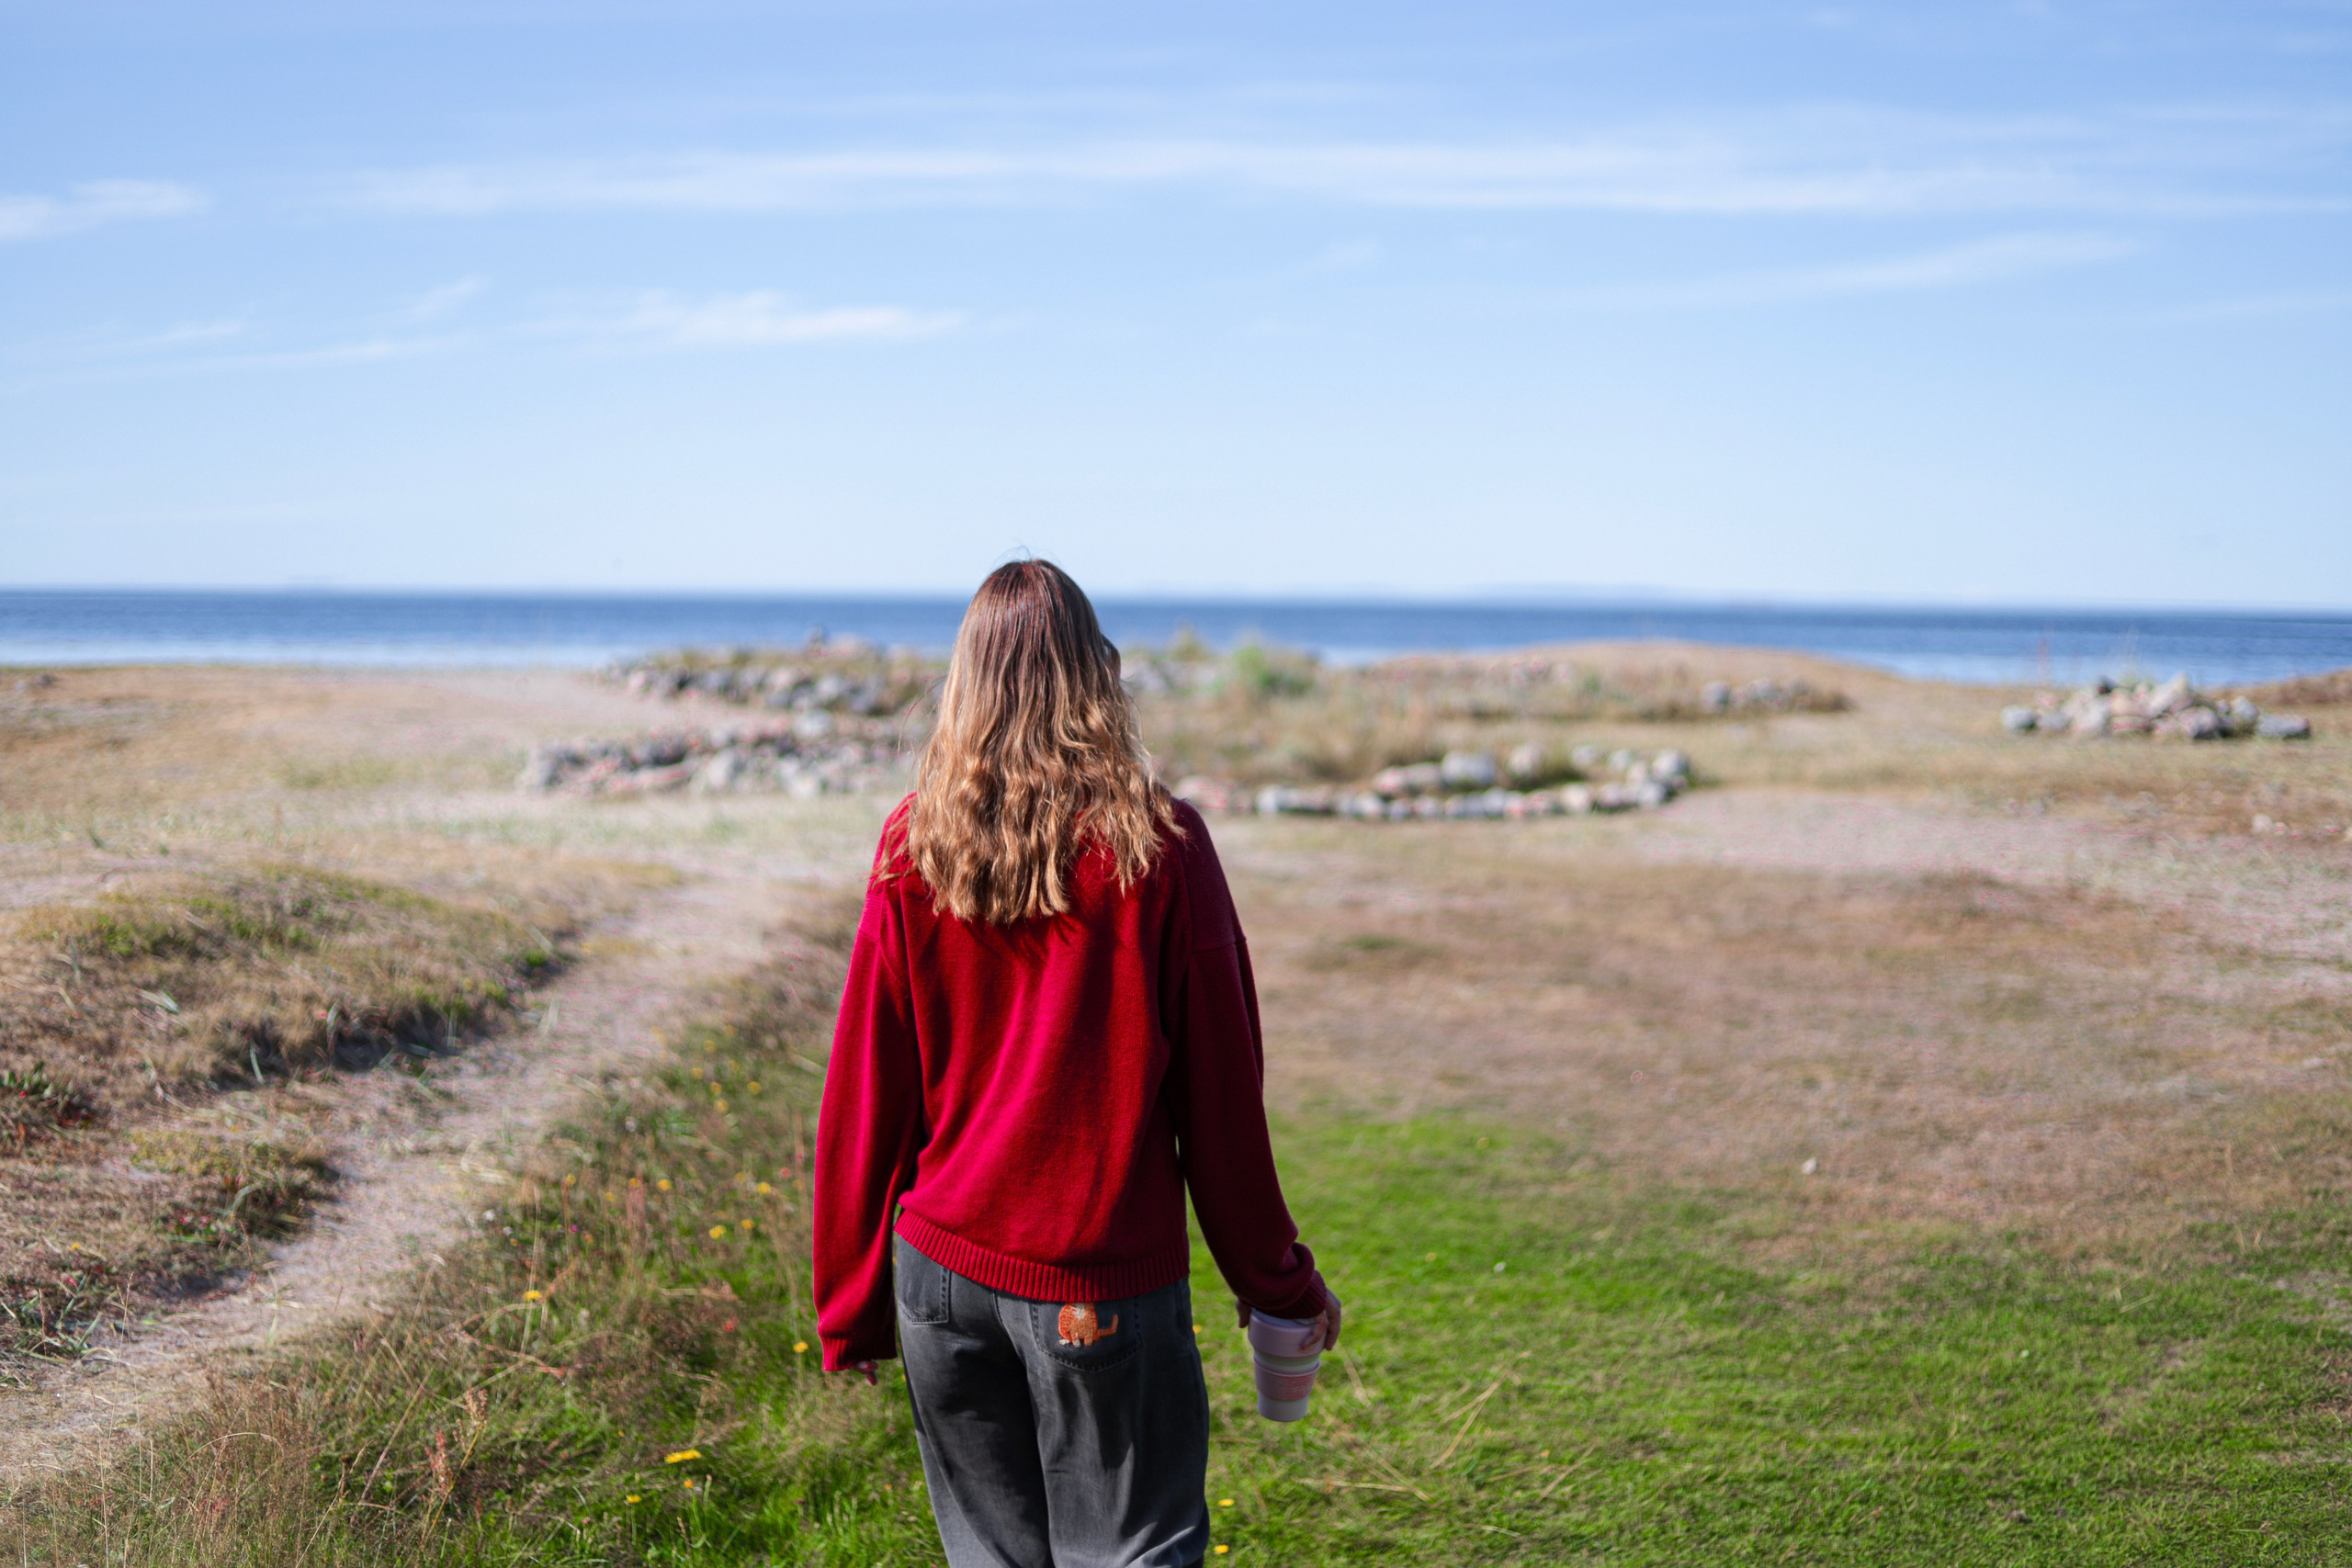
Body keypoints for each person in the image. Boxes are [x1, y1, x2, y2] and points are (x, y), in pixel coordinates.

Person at [814, 559, 1341, 1568]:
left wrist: (851, 1299)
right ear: (1096, 673)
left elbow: (863, 1086)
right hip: (1095, 1286)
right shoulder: (1159, 846)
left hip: (937, 1280)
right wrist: (1276, 1282)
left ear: (965, 682)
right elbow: (1223, 1100)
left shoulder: (913, 839)